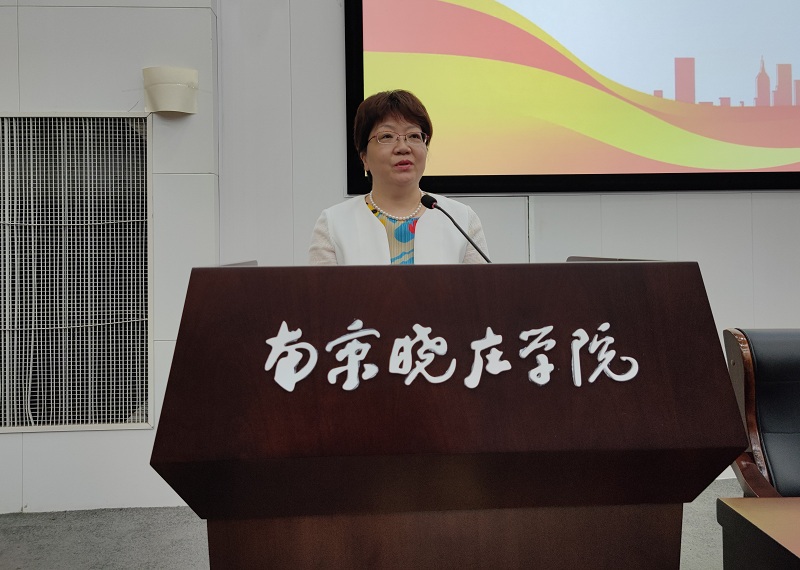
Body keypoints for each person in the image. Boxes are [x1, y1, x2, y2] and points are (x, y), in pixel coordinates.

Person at [308, 89, 489, 265]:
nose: (403, 147)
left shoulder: (461, 219)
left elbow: (481, 286)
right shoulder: (333, 224)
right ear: (364, 158)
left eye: (414, 136)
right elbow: (321, 287)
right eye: (387, 136)